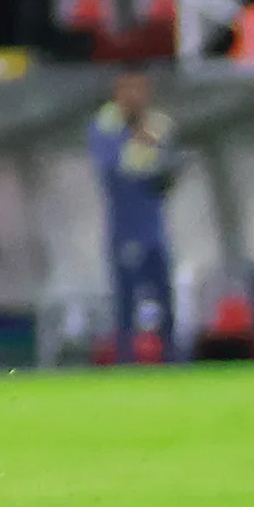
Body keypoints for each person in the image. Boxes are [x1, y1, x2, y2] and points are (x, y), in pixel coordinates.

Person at [90, 69, 180, 363]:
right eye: (129, 89)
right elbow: (111, 171)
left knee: (164, 297)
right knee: (126, 302)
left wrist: (161, 163)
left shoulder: (159, 126)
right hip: (124, 227)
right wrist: (139, 144)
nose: (135, 96)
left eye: (140, 89)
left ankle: (171, 359)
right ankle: (125, 361)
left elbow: (167, 173)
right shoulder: (105, 126)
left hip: (153, 226)